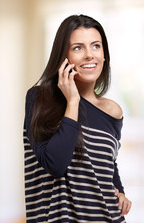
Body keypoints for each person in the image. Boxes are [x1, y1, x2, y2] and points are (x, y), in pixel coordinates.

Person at [23, 14, 132, 222]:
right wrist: (73, 102)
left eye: (96, 46)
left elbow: (108, 161)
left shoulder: (112, 111)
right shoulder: (39, 98)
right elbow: (55, 164)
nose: (89, 55)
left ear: (104, 55)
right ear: (63, 56)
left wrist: (120, 191)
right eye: (78, 48)